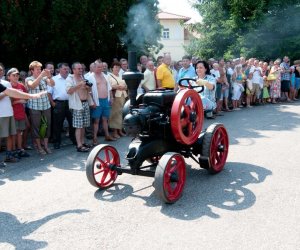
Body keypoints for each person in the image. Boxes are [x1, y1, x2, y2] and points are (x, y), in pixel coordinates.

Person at [25, 61, 54, 155]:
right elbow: (32, 86)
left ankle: (45, 146)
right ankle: (39, 147)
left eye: (40, 69)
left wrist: (49, 76)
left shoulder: (44, 78)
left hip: (46, 106)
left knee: (47, 126)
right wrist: (41, 76)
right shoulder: (28, 79)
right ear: (32, 71)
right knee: (36, 127)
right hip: (34, 107)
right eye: (37, 69)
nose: (40, 71)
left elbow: (53, 84)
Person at [66, 62, 94, 152]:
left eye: (81, 68)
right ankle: (79, 145)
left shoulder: (83, 77)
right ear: (73, 70)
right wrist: (79, 85)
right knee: (78, 126)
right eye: (79, 69)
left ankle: (82, 142)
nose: (81, 70)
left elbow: (89, 90)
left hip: (85, 103)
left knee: (84, 125)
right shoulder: (70, 78)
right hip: (77, 105)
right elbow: (69, 91)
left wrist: (88, 87)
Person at [48, 63, 76, 149]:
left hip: (70, 103)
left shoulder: (71, 78)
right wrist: (53, 103)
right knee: (57, 124)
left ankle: (74, 139)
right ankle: (56, 142)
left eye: (67, 69)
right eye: (64, 69)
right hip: (59, 103)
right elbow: (48, 93)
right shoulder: (54, 79)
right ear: (59, 69)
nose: (66, 70)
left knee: (73, 122)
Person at [87, 60, 115, 144]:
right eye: (98, 67)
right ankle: (94, 138)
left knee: (105, 119)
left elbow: (109, 88)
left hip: (106, 100)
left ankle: (107, 135)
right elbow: (89, 91)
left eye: (101, 67)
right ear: (94, 67)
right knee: (96, 121)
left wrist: (111, 98)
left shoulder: (105, 76)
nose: (100, 69)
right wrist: (92, 102)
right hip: (97, 101)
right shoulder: (90, 77)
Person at [7, 68, 30, 158]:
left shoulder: (21, 86)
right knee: (13, 133)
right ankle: (13, 150)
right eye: (14, 75)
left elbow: (27, 97)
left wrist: (24, 100)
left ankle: (20, 149)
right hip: (12, 113)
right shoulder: (7, 87)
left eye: (17, 75)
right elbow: (7, 103)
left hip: (21, 112)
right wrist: (18, 101)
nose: (16, 77)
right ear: (8, 77)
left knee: (20, 131)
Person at [108, 62, 127, 139]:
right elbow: (109, 86)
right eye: (115, 67)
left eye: (118, 67)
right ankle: (114, 132)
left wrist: (123, 87)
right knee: (115, 114)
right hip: (115, 97)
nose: (117, 69)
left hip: (123, 95)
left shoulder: (121, 76)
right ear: (112, 68)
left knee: (122, 113)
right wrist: (117, 86)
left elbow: (126, 85)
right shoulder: (109, 76)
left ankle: (120, 130)